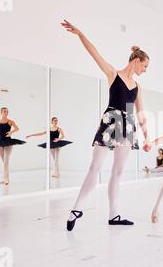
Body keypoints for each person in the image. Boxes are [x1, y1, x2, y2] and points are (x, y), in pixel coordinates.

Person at [61, 20, 150, 231]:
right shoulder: (113, 74)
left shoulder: (138, 87)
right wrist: (80, 33)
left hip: (128, 126)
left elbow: (141, 114)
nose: (145, 70)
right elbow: (95, 53)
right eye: (144, 66)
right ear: (136, 61)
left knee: (117, 173)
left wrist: (147, 136)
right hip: (111, 122)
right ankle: (76, 208)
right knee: (95, 167)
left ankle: (114, 215)